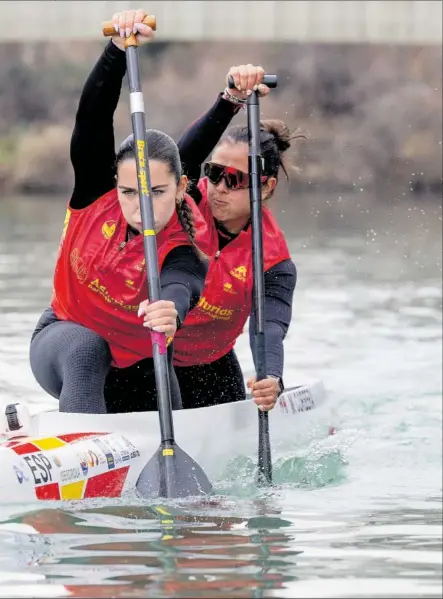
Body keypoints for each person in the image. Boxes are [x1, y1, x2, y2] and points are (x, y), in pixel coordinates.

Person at [29, 14, 210, 414]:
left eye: (156, 192)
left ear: (181, 189)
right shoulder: (94, 196)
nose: (140, 205)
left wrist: (171, 309)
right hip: (64, 343)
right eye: (129, 191)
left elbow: (182, 285)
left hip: (141, 371)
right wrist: (115, 52)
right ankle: (80, 456)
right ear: (115, 184)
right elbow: (92, 116)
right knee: (86, 348)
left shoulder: (184, 247)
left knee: (166, 384)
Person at [173, 67, 303, 412]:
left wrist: (271, 376)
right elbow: (178, 162)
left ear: (267, 186)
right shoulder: (180, 202)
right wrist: (230, 99)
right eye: (214, 173)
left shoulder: (273, 258)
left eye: (234, 179)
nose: (218, 188)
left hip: (209, 365)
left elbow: (269, 327)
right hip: (144, 357)